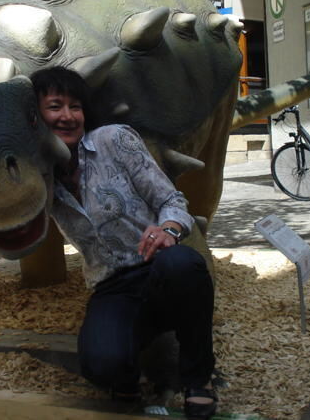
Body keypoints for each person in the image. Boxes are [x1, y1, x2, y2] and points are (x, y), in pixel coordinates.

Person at [30, 67, 218, 419]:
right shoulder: (38, 174)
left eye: (76, 106)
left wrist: (169, 231)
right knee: (101, 366)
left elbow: (171, 201)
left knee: (184, 264)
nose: (68, 116)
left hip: (159, 266)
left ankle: (198, 378)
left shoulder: (114, 140)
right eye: (55, 107)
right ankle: (127, 358)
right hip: (112, 286)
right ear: (36, 116)